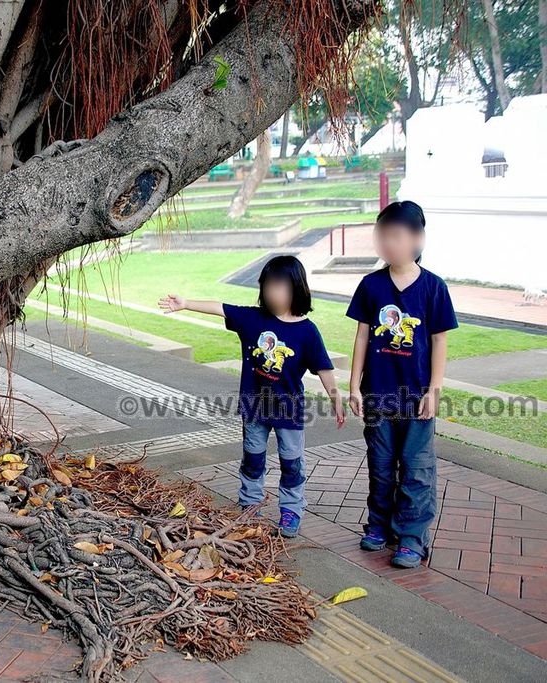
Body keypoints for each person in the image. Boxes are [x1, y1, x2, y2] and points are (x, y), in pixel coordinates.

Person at [158, 255, 345, 537]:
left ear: (296, 288)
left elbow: (324, 370)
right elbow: (221, 308)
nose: (272, 293)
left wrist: (336, 400)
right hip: (254, 408)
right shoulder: (253, 319)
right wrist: (185, 304)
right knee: (253, 458)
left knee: (291, 462)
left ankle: (291, 510)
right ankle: (249, 504)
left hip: (288, 411)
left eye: (279, 287)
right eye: (268, 287)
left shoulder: (307, 331)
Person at [346, 200, 458, 569]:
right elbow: (362, 336)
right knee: (380, 465)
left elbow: (440, 340)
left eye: (395, 236)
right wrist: (352, 386)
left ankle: (411, 537)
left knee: (416, 467)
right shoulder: (371, 286)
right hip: (377, 395)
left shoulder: (433, 288)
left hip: (417, 399)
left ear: (417, 239)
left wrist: (435, 389)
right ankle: (378, 525)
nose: (387, 243)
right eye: (382, 236)